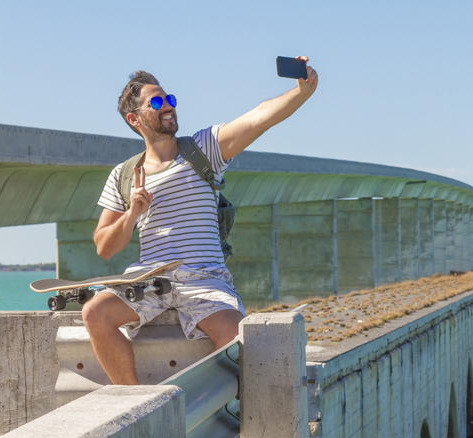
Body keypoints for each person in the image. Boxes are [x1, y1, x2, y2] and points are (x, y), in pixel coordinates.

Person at [83, 57, 318, 385]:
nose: (168, 107)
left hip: (204, 278)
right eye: (158, 102)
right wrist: (132, 214)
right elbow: (104, 247)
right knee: (95, 313)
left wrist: (300, 93)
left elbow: (258, 118)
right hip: (150, 279)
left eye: (170, 99)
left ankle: (217, 413)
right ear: (134, 118)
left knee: (238, 338)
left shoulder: (204, 148)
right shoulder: (124, 175)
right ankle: (135, 405)